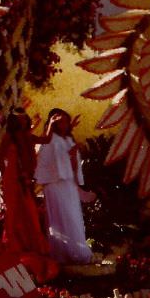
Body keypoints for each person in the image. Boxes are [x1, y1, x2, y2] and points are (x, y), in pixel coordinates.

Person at [35, 108, 94, 264]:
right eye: (61, 121)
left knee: (73, 217)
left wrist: (73, 155)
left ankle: (77, 252)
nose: (65, 125)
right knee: (61, 219)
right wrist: (67, 155)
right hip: (54, 184)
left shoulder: (68, 139)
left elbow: (73, 167)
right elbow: (46, 162)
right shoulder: (50, 139)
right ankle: (62, 254)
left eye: (67, 122)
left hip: (68, 184)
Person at [0, 109, 48, 254]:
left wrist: (50, 124)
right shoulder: (9, 136)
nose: (22, 121)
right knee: (13, 210)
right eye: (19, 119)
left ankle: (30, 243)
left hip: (25, 176)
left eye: (25, 119)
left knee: (29, 210)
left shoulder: (28, 137)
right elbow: (0, 158)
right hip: (11, 177)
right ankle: (12, 243)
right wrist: (4, 175)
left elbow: (46, 140)